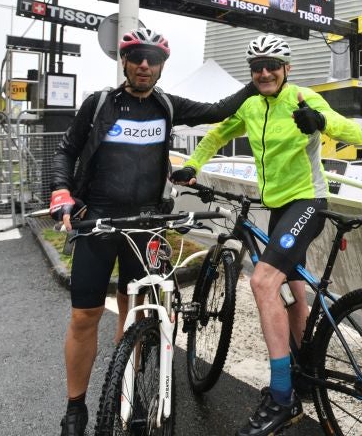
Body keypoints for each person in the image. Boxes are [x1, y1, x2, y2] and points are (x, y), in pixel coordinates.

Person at [49, 27, 257, 436]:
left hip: (148, 222)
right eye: (137, 57)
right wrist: (61, 191)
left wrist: (257, 80)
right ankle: (75, 408)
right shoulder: (100, 104)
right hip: (99, 220)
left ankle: (126, 382)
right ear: (124, 61)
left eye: (153, 59)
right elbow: (66, 151)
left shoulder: (166, 105)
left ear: (162, 66)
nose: (145, 64)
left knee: (140, 309)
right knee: (84, 315)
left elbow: (217, 110)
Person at [170, 34, 362, 436]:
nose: (264, 72)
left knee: (261, 281)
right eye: (256, 66)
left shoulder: (302, 98)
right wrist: (192, 165)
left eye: (272, 64)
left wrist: (320, 122)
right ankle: (305, 374)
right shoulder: (251, 106)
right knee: (292, 287)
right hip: (278, 207)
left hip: (308, 201)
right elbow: (217, 135)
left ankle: (282, 397)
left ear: (286, 69)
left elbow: (355, 133)